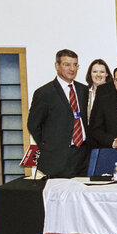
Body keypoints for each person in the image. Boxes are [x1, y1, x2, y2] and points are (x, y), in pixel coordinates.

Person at [27, 49, 89, 177]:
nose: (72, 69)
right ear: (57, 65)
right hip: (58, 158)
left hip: (83, 155)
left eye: (75, 65)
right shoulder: (44, 93)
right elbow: (33, 124)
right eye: (67, 64)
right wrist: (48, 146)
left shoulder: (83, 90)